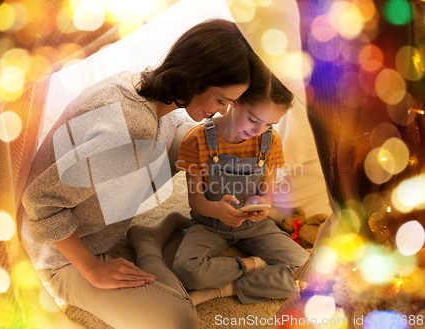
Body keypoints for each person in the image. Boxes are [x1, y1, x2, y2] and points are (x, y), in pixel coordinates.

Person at [21, 19, 262, 329]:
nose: (222, 111)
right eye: (221, 101)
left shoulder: (139, 83)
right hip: (58, 256)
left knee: (197, 143)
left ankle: (147, 237)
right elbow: (40, 201)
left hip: (97, 205)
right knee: (180, 321)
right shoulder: (134, 133)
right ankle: (148, 246)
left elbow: (178, 130)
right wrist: (93, 269)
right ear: (195, 78)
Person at [172, 70, 310, 306]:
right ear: (234, 100)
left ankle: (226, 289)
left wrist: (261, 203)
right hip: (209, 224)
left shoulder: (271, 141)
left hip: (255, 226)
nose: (259, 130)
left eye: (270, 123)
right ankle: (252, 265)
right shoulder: (195, 140)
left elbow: (268, 191)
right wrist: (216, 210)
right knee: (186, 270)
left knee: (310, 271)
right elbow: (195, 200)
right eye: (254, 119)